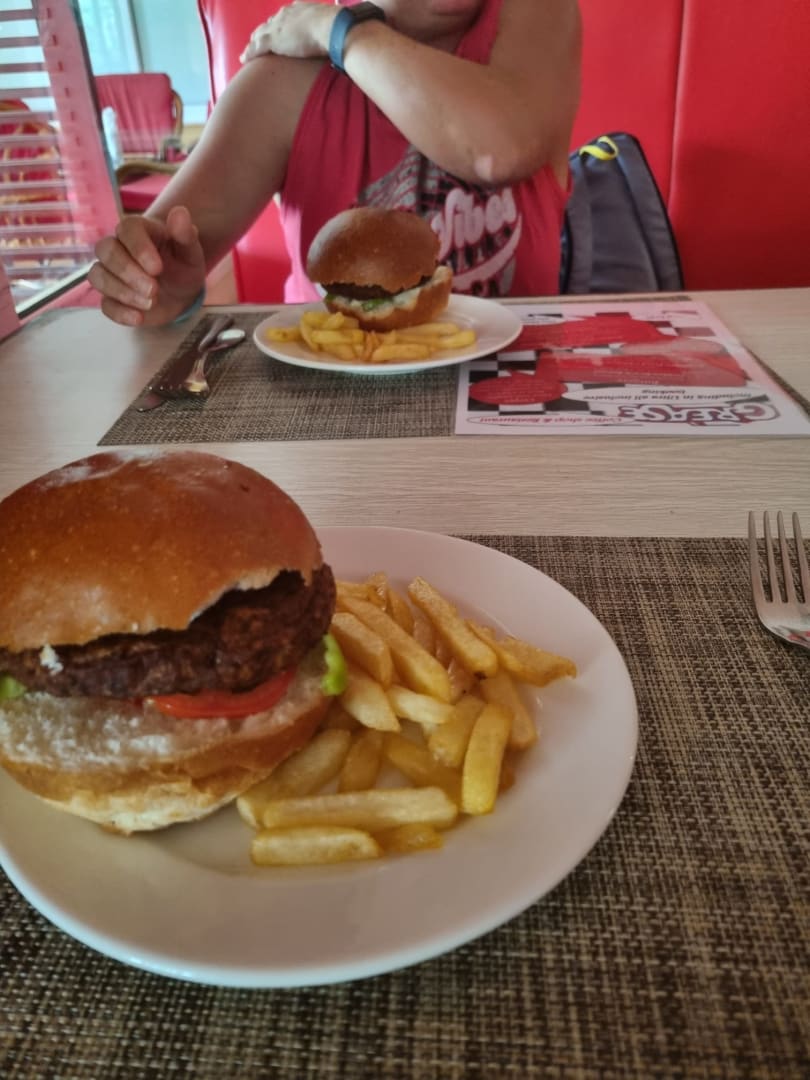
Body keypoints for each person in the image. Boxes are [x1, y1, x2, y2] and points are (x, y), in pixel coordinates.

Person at [90, 0, 581, 327]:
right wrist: (151, 284)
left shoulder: (538, 16)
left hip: (517, 396)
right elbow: (162, 267)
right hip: (333, 405)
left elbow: (496, 149)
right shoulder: (281, 78)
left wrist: (338, 30)